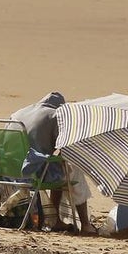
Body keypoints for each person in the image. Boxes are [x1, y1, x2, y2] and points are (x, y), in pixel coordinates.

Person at [11, 91, 96, 234]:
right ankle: (85, 224)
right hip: (33, 171)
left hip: (8, 168)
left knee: (58, 168)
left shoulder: (19, 113)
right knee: (73, 171)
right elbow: (65, 148)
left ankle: (54, 219)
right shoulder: (55, 116)